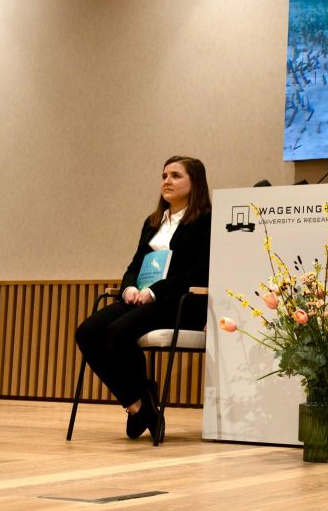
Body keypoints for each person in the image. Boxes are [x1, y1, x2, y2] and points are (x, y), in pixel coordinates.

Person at [75, 156, 212, 442]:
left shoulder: (205, 220)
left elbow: (200, 272)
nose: (167, 181)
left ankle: (141, 403)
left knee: (117, 332)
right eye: (164, 176)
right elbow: (135, 266)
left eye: (175, 176)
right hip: (142, 299)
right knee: (87, 331)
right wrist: (128, 288)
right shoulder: (152, 222)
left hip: (181, 302)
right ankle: (138, 403)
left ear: (195, 182)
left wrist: (156, 291)